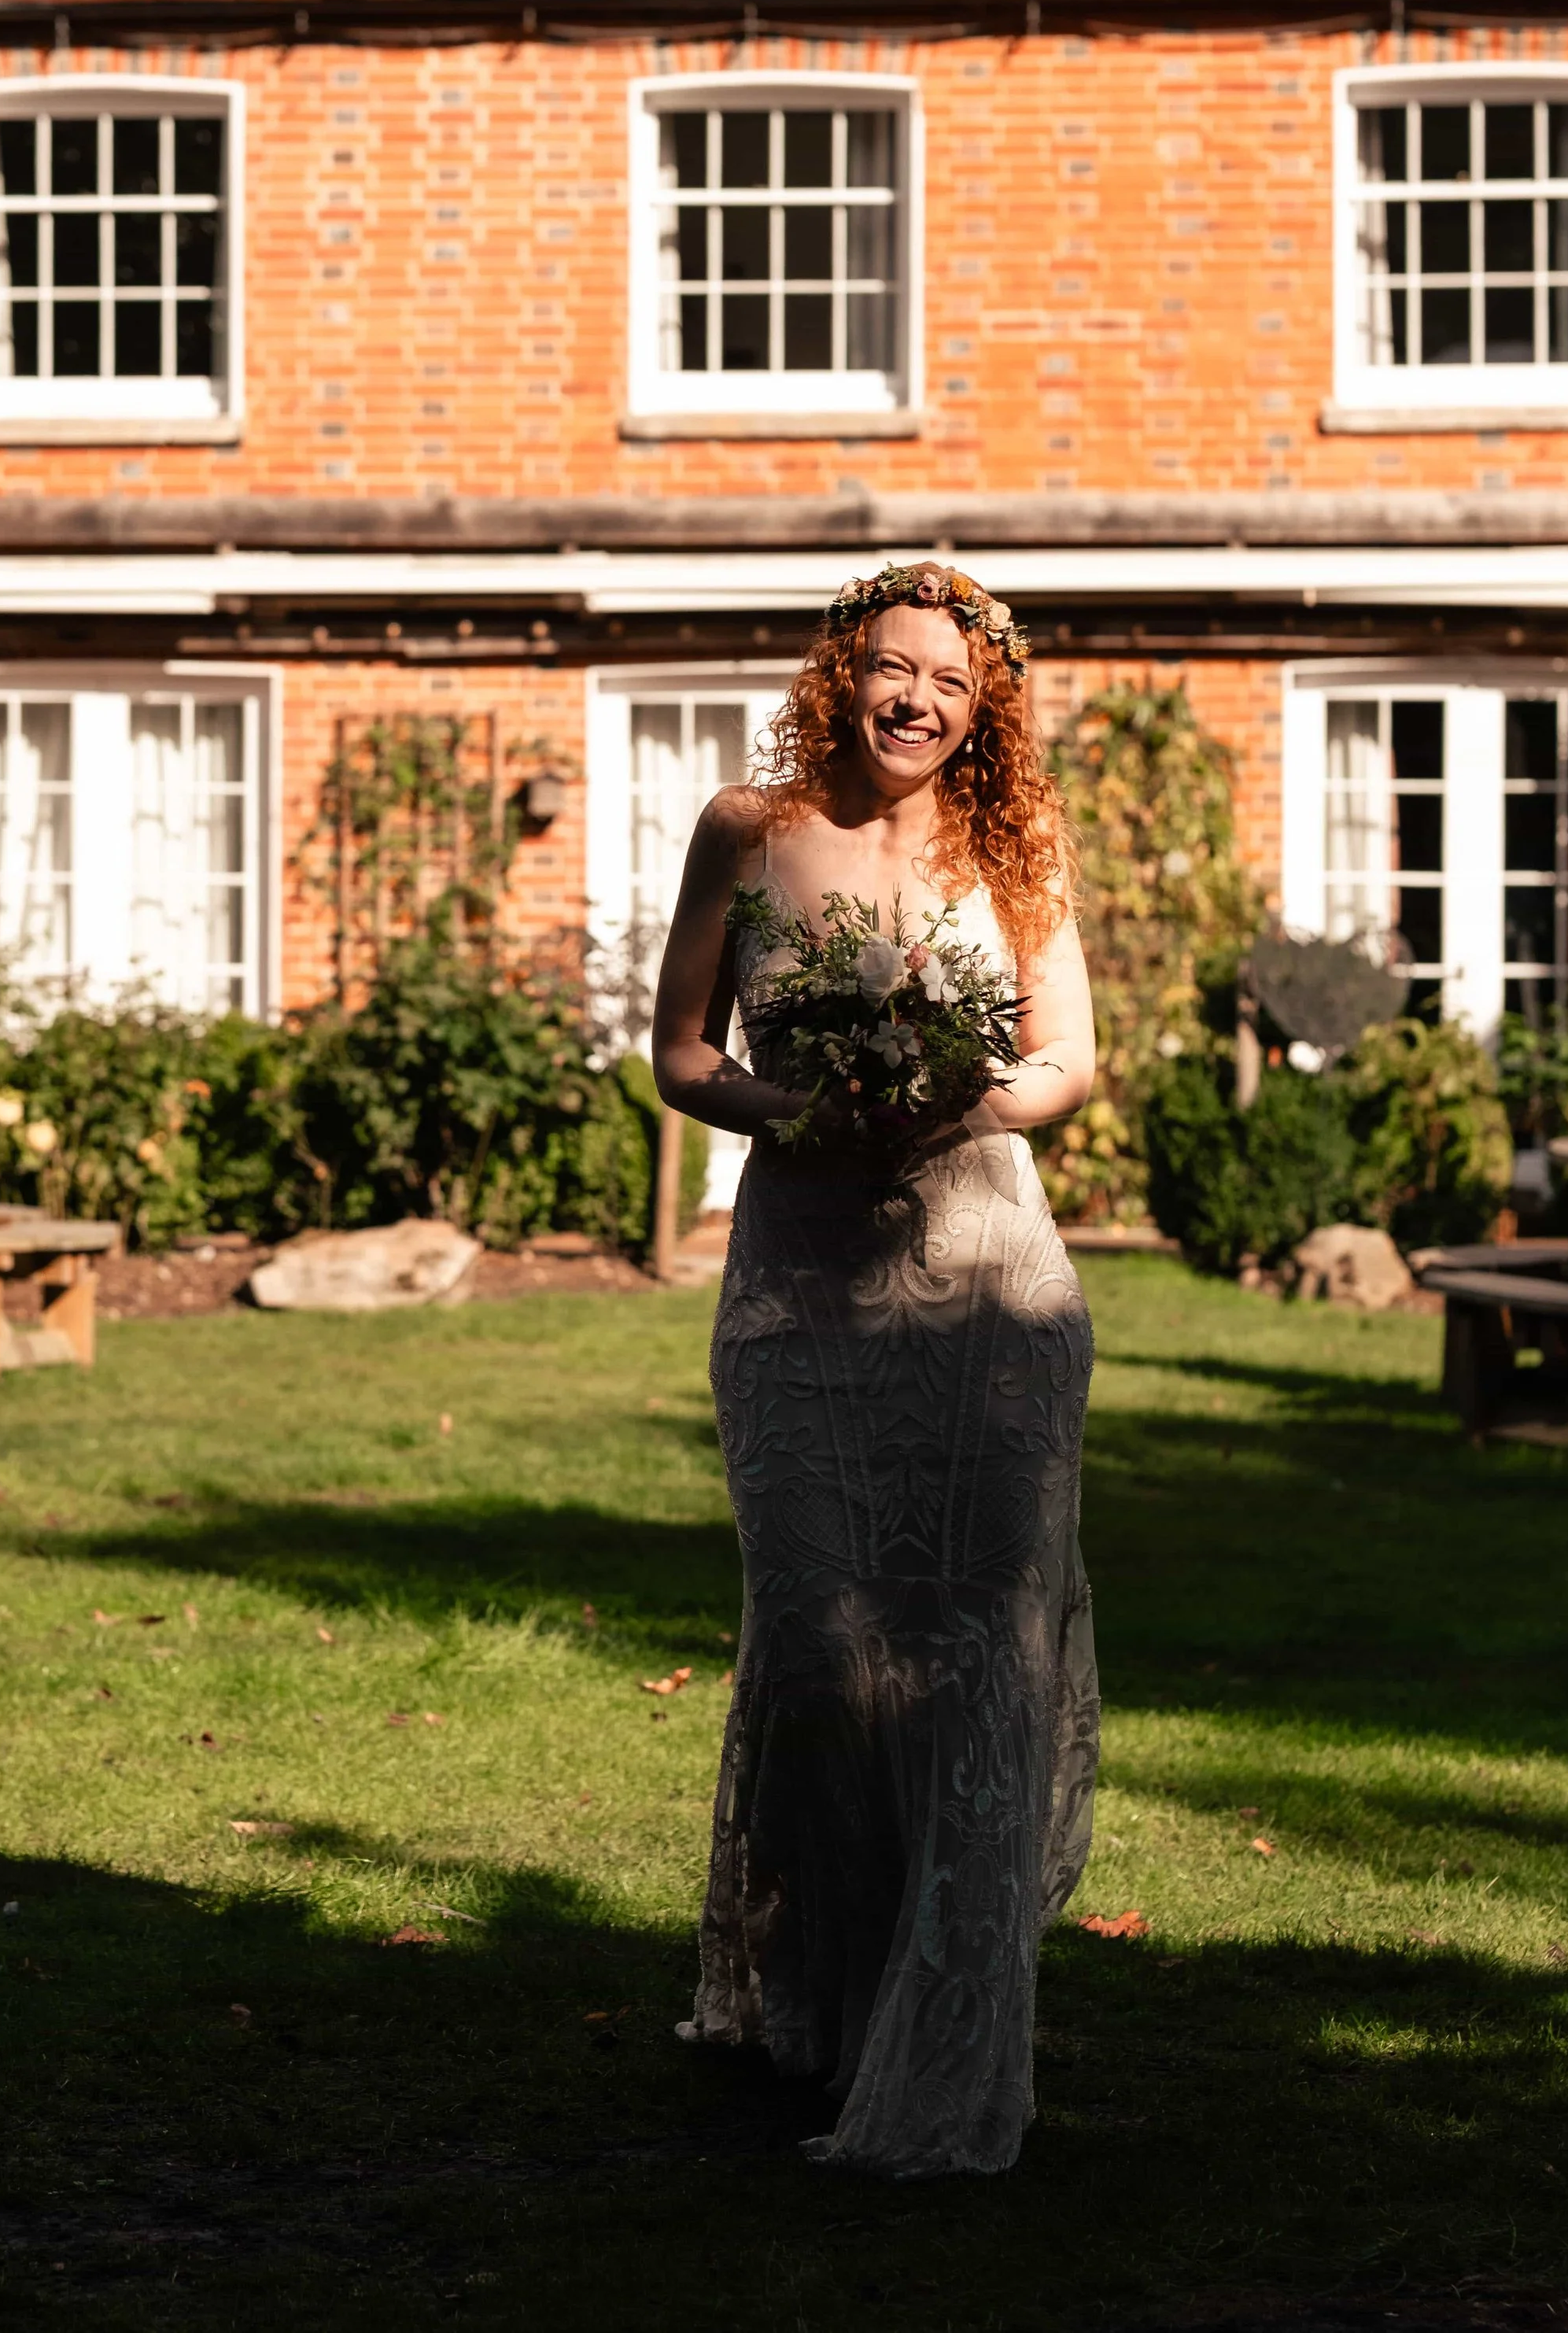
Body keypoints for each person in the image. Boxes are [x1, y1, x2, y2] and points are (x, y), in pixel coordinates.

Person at [651, 561, 1100, 2180]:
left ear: (984, 714)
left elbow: (1063, 1055)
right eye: (893, 668)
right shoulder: (743, 828)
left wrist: (956, 1104)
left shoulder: (1015, 847)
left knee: (982, 1655)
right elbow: (680, 1051)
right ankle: (824, 2009)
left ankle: (952, 2044)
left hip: (990, 1286)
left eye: (952, 686)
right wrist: (803, 1114)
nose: (917, 700)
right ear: (842, 668)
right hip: (797, 1295)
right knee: (820, 1648)